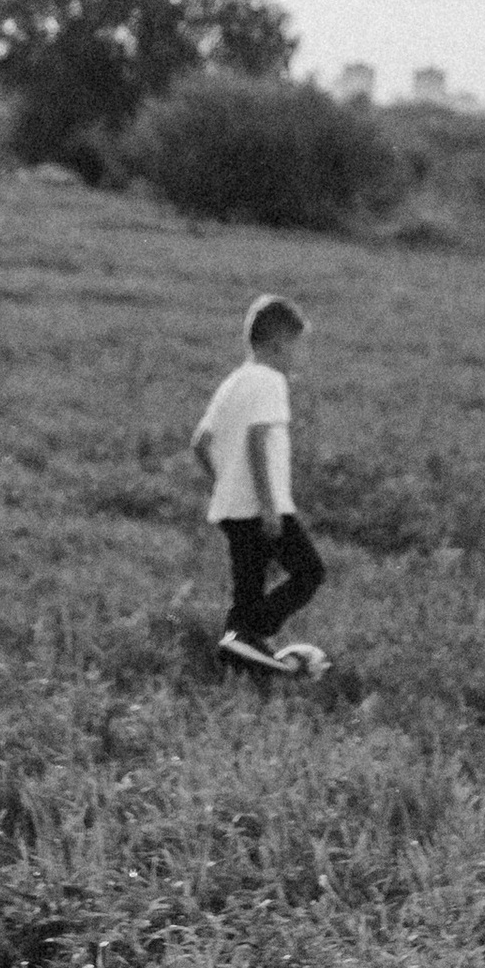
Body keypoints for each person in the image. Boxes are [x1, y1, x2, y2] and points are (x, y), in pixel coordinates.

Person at [193, 290, 328, 678]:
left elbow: (200, 444)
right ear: (279, 343)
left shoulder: (234, 381)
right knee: (309, 572)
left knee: (248, 588)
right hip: (260, 508)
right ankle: (250, 636)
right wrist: (269, 506)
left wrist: (226, 484)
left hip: (231, 508)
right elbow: (256, 442)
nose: (297, 358)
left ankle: (237, 657)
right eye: (295, 348)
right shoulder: (269, 381)